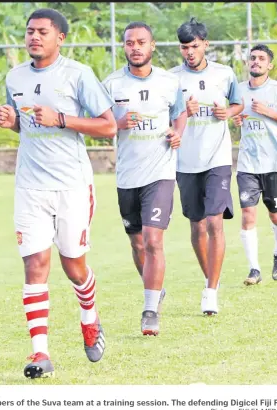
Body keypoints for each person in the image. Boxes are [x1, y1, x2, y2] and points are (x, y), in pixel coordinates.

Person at [0, 8, 117, 378]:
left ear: (59, 37)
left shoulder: (78, 74)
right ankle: (40, 355)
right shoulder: (14, 77)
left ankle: (90, 319)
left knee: (73, 267)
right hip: (30, 186)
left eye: (42, 32)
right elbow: (29, 128)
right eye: (30, 31)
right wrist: (14, 122)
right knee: (35, 265)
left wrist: (60, 118)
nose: (34, 37)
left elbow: (109, 126)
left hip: (72, 186)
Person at [102, 22, 186, 336]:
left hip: (160, 174)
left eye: (141, 42)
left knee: (153, 241)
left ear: (152, 46)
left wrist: (178, 134)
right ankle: (155, 289)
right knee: (137, 243)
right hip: (127, 176)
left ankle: (150, 310)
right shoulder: (110, 84)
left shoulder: (169, 81)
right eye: (129, 43)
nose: (135, 47)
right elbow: (100, 123)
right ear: (124, 47)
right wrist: (119, 123)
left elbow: (180, 114)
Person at [169, 18, 243, 315]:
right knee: (197, 224)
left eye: (195, 46)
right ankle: (210, 278)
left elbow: (238, 104)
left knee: (215, 222)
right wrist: (181, 113)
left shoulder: (224, 74)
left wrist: (229, 110)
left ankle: (210, 292)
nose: (189, 52)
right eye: (185, 47)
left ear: (205, 44)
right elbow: (164, 116)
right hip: (185, 161)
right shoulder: (170, 79)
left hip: (218, 159)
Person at [231, 44, 277, 285]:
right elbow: (235, 117)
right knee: (248, 215)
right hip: (247, 164)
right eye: (252, 58)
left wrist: (269, 112)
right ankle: (254, 269)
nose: (256, 62)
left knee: (276, 216)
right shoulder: (238, 91)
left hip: (273, 165)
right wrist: (237, 119)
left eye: (261, 59)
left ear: (269, 65)